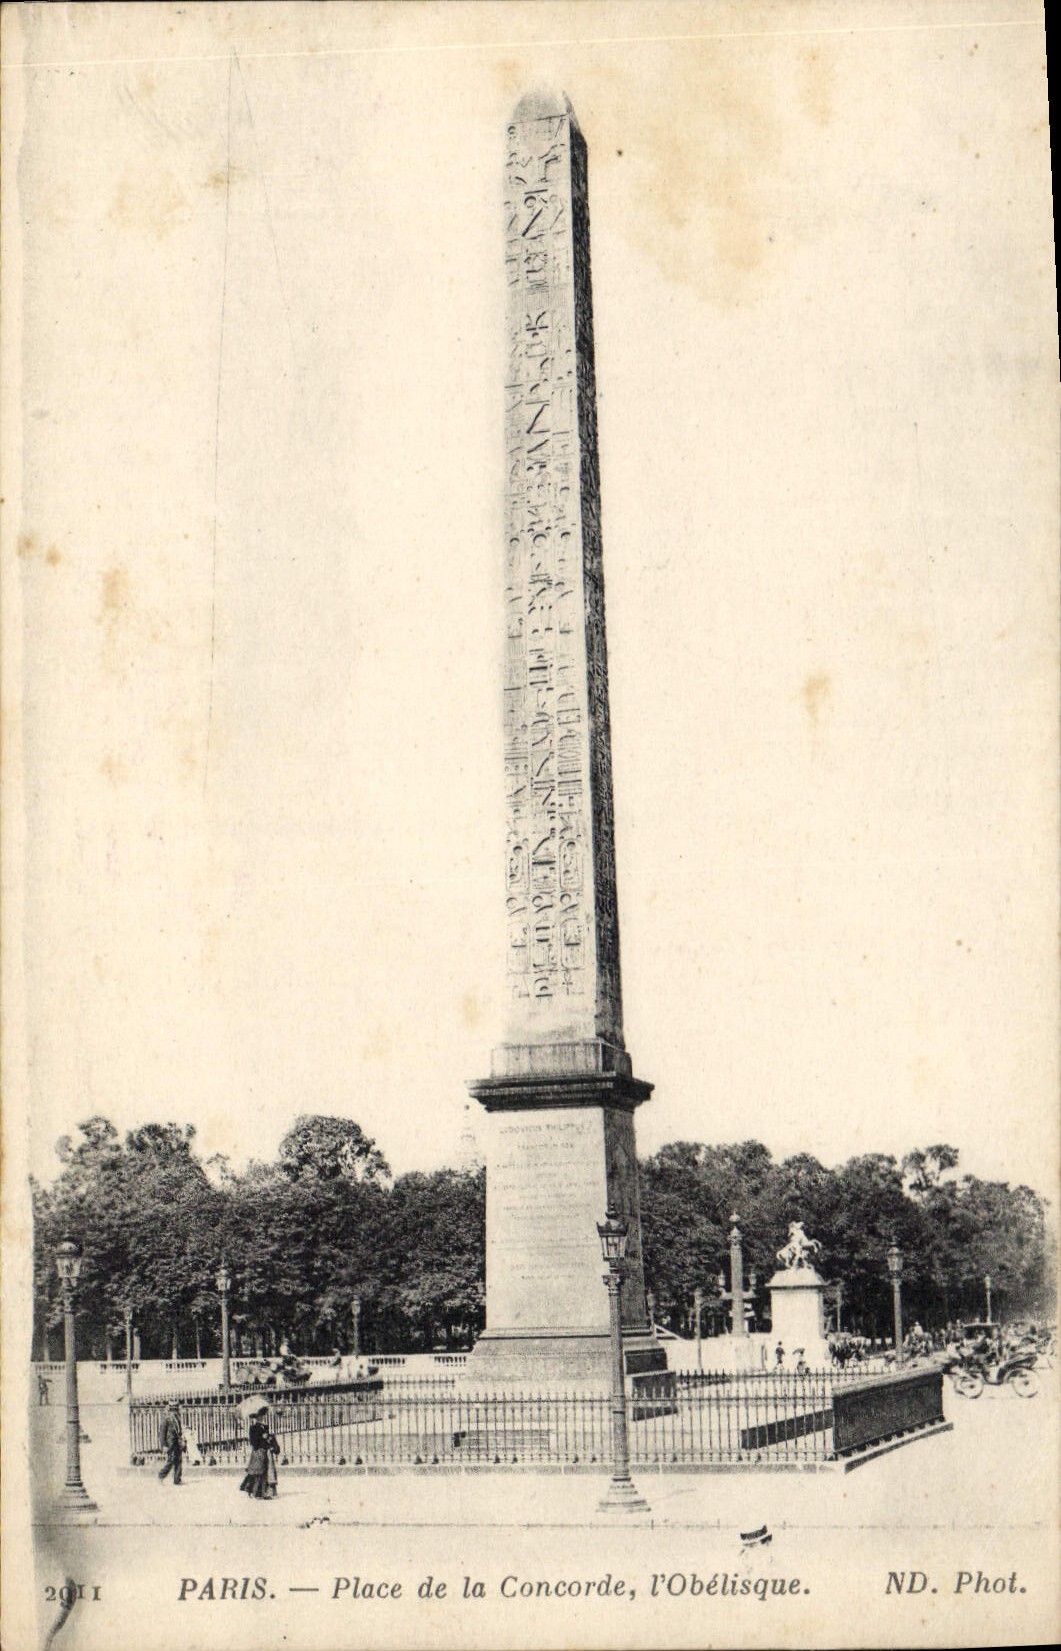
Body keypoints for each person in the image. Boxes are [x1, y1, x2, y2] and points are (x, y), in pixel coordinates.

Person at [239, 1407, 272, 1499]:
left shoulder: (265, 1427)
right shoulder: (253, 1428)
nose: (261, 1418)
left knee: (263, 1471)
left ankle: (260, 1492)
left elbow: (268, 1439)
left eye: (262, 1416)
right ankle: (256, 1492)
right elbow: (253, 1442)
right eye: (259, 1416)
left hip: (264, 1451)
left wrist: (268, 1439)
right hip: (258, 1451)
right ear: (256, 1418)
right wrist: (262, 1437)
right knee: (257, 1471)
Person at [158, 1402, 184, 1485]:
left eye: (177, 1408)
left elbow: (179, 1430)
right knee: (171, 1460)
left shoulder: (177, 1417)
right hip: (170, 1443)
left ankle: (177, 1479)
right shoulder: (166, 1418)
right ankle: (161, 1475)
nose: (177, 1410)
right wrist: (164, 1445)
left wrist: (182, 1439)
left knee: (179, 1460)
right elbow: (162, 1433)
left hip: (177, 1442)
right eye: (175, 1408)